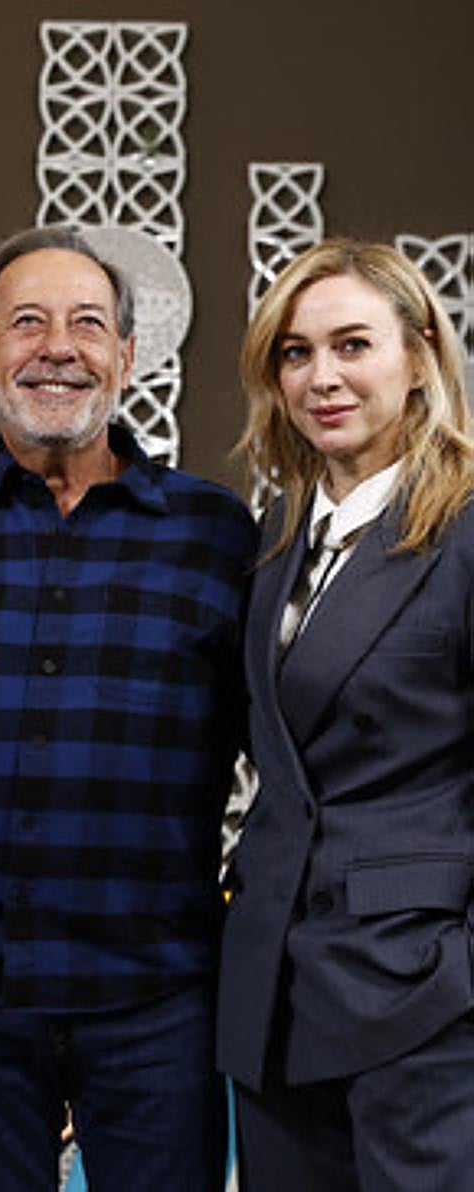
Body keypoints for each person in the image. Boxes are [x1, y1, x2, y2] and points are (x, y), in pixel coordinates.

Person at [0, 224, 257, 1191]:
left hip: (161, 998)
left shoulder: (214, 535)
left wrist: (236, 919)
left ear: (127, 356)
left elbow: (283, 750)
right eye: (26, 323)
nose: (58, 348)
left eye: (88, 325)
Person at [218, 239, 474, 1190]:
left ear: (420, 358)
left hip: (423, 999)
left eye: (352, 345)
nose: (321, 377)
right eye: (295, 352)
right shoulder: (277, 538)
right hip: (276, 998)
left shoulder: (466, 527)